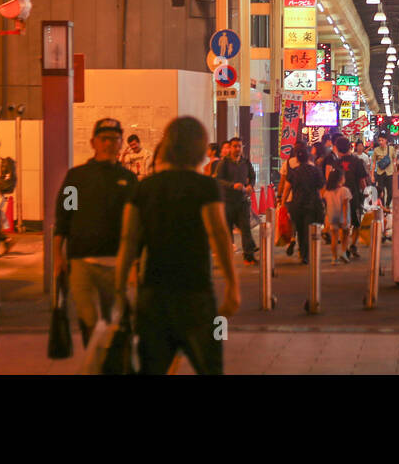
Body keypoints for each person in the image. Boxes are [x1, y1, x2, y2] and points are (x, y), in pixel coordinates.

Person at [116, 116, 238, 375]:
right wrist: (232, 285)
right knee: (210, 366)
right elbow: (219, 234)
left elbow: (128, 241)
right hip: (196, 292)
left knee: (151, 368)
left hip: (153, 295)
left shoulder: (143, 188)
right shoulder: (205, 186)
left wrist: (119, 290)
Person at [53, 117, 138, 347]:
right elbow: (63, 217)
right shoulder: (76, 177)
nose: (109, 143)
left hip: (117, 263)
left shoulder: (129, 180)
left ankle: (112, 362)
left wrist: (136, 262)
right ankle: (95, 360)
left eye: (115, 139)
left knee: (115, 321)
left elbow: (137, 224)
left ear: (121, 143)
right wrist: (57, 256)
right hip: (81, 260)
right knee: (87, 318)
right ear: (93, 142)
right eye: (104, 138)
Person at [214, 137, 259, 264]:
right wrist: (232, 185)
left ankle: (249, 256)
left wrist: (251, 185)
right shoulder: (224, 163)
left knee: (245, 228)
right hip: (227, 202)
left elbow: (252, 176)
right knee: (227, 231)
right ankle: (226, 258)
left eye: (239, 146)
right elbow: (218, 180)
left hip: (242, 201)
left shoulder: (245, 162)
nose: (237, 149)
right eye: (235, 146)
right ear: (230, 148)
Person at [280, 143, 324, 265]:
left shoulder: (294, 172)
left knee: (300, 230)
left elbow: (287, 188)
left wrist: (283, 203)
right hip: (312, 203)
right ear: (308, 157)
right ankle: (306, 254)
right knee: (308, 229)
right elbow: (321, 188)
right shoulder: (315, 171)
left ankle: (302, 253)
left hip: (297, 204)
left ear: (298, 159)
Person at [333, 135, 370, 258]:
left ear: (337, 149)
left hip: (338, 197)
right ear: (350, 147)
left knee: (343, 224)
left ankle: (345, 248)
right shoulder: (357, 161)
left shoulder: (336, 163)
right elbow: (363, 182)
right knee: (356, 223)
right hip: (354, 196)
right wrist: (368, 195)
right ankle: (352, 245)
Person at [320, 166, 352, 264]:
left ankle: (334, 258)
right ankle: (343, 252)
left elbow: (322, 199)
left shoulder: (327, 191)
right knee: (345, 235)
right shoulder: (344, 190)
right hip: (342, 215)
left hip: (332, 215)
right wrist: (345, 219)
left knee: (334, 237)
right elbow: (345, 205)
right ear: (340, 178)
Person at [371, 133, 397, 207]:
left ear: (386, 140)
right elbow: (373, 164)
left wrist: (396, 172)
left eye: (382, 140)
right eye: (379, 140)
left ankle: (387, 205)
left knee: (391, 192)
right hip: (380, 174)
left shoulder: (391, 149)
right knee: (381, 192)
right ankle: (382, 207)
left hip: (390, 173)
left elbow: (394, 161)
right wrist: (372, 175)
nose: (381, 142)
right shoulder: (376, 150)